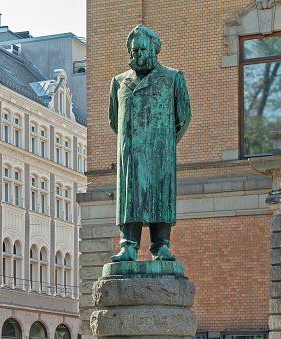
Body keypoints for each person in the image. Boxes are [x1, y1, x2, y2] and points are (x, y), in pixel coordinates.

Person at [108, 24, 191, 262]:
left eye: (142, 49)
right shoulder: (119, 82)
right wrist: (132, 142)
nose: (138, 55)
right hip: (131, 153)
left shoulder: (173, 78)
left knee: (160, 196)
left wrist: (165, 143)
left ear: (154, 49)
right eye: (134, 51)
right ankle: (129, 246)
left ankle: (160, 245)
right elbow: (114, 119)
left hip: (160, 151)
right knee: (130, 197)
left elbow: (183, 117)